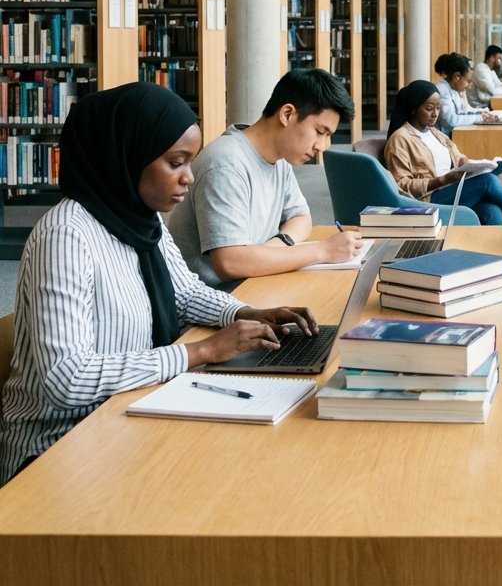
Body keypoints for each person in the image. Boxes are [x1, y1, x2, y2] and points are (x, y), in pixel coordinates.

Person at [0, 82, 317, 484]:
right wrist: (200, 351)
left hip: (127, 410)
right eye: (175, 163)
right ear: (127, 155)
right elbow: (66, 378)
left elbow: (183, 293)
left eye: (190, 162)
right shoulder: (65, 236)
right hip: (58, 445)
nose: (189, 178)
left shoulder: (143, 219)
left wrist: (247, 312)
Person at [167, 68, 363, 287]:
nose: (322, 146)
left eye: (328, 135)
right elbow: (230, 264)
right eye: (320, 131)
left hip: (252, 283)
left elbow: (301, 218)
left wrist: (271, 248)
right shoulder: (225, 163)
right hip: (215, 296)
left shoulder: (280, 159)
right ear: (287, 114)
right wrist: (322, 250)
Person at [384, 80, 502, 226]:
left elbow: (459, 157)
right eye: (429, 108)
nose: (435, 114)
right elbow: (401, 185)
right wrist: (443, 180)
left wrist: (476, 167)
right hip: (428, 199)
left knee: (491, 209)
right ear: (413, 109)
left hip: (451, 189)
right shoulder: (400, 139)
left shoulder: (435, 133)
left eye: (438, 108)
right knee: (487, 181)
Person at [434, 52, 502, 137]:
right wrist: (479, 118)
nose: (470, 86)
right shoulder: (442, 91)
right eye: (468, 81)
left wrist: (481, 113)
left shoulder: (453, 89)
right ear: (457, 77)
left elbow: (462, 111)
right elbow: (451, 120)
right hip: (445, 137)